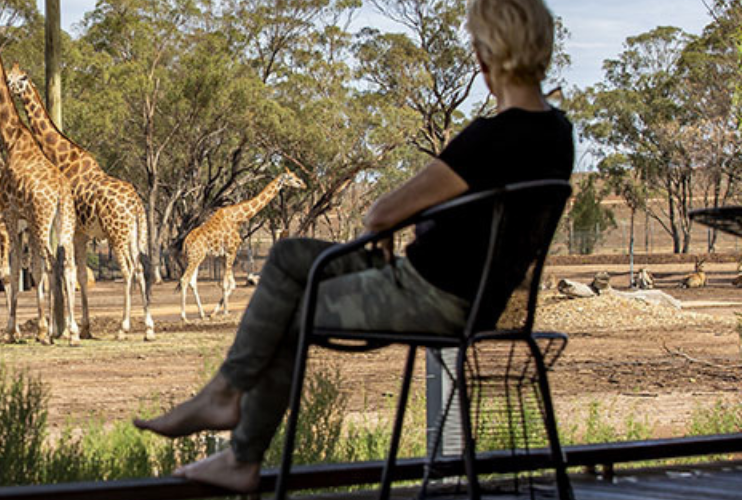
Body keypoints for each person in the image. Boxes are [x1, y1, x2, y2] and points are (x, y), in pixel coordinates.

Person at [133, 0, 575, 491]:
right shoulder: (559, 135)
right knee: (289, 256)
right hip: (464, 295)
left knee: (286, 311)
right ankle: (225, 395)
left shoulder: (492, 137)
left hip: (432, 297)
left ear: (486, 53)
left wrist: (391, 225)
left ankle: (239, 447)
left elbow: (381, 212)